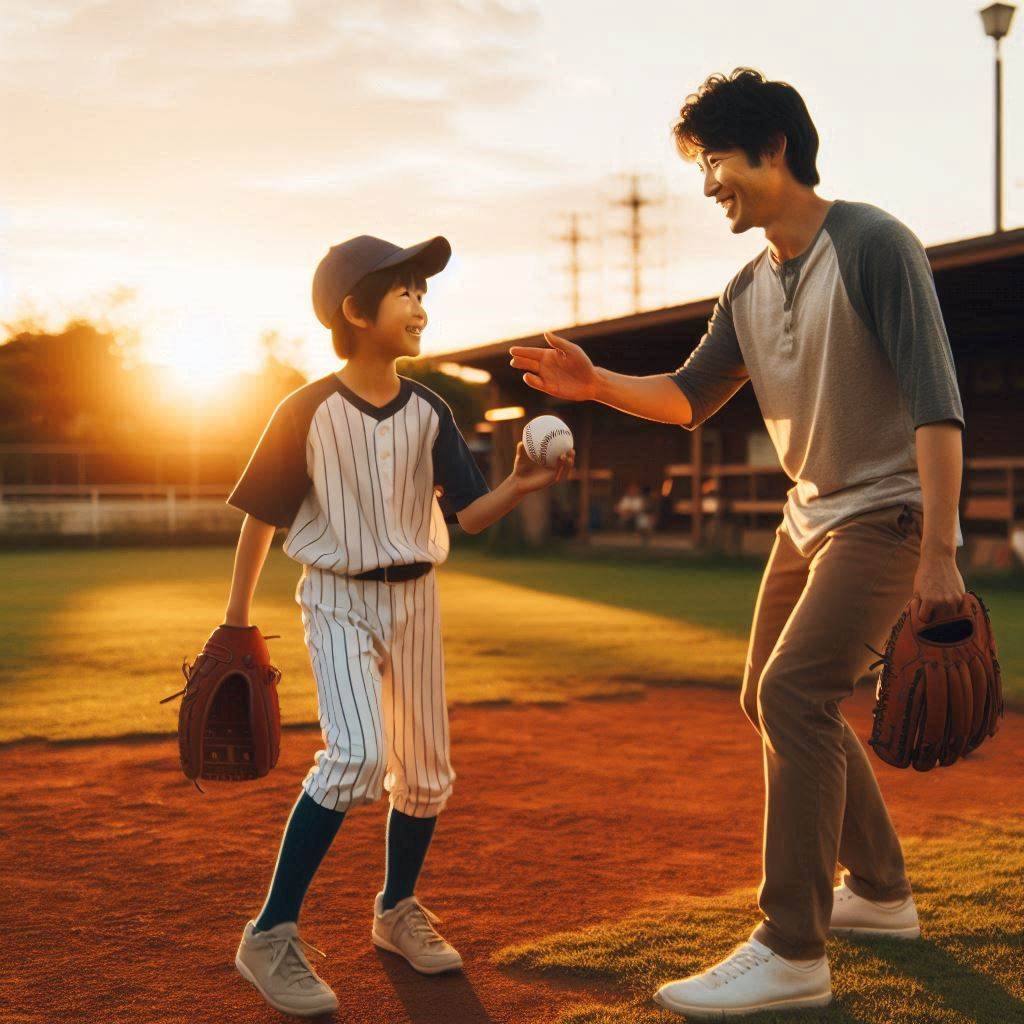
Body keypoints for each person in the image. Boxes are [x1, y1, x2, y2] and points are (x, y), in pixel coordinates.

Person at [510, 68, 965, 1018]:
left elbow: (936, 401)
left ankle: (793, 949)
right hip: (810, 516)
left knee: (797, 692)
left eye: (717, 161)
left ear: (775, 151)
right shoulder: (748, 285)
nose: (709, 183)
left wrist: (941, 553)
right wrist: (595, 384)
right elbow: (687, 398)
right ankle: (880, 893)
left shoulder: (876, 244)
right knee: (771, 697)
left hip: (888, 512)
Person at [226, 234, 572, 1018]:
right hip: (338, 597)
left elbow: (471, 516)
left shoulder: (429, 410)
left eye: (423, 292)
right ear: (356, 310)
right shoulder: (305, 409)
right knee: (355, 755)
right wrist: (236, 624)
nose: (421, 306)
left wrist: (521, 481)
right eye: (405, 292)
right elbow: (259, 519)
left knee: (424, 773)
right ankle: (270, 933)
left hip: (417, 600)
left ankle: (395, 912)